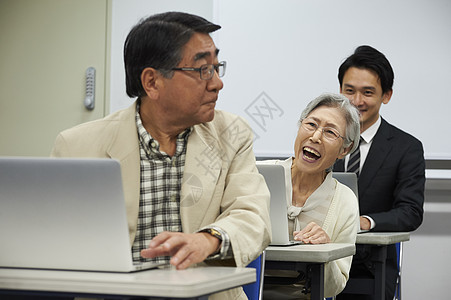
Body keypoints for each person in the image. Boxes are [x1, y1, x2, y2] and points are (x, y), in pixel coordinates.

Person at [51, 12, 271, 300]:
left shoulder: (232, 134)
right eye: (203, 70)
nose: (217, 83)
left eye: (217, 68)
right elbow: (54, 243)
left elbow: (252, 215)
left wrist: (207, 240)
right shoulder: (77, 146)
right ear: (152, 82)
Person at [334, 45, 425, 300]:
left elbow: (410, 212)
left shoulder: (406, 148)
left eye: (367, 92)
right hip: (315, 258)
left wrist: (365, 222)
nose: (357, 101)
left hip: (369, 267)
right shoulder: (320, 139)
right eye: (349, 91)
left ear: (386, 95)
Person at [262, 93, 361, 299]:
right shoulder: (258, 176)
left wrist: (326, 253)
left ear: (345, 149)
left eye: (330, 132)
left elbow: (336, 286)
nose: (315, 137)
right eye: (311, 125)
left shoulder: (344, 200)